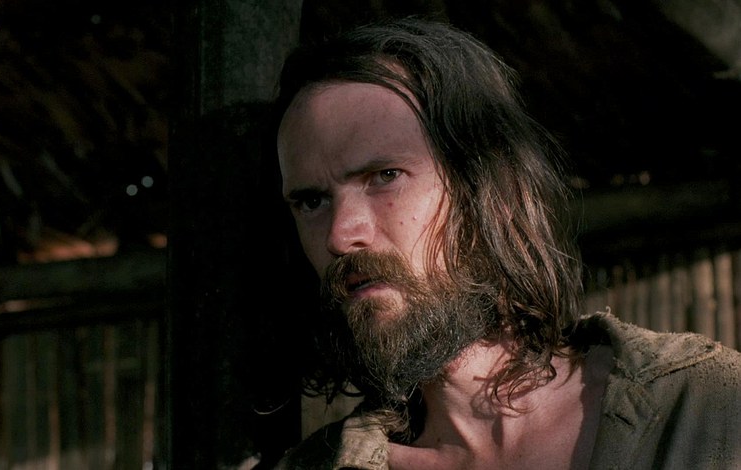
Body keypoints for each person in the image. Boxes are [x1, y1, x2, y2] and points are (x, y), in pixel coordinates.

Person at [270, 17, 741, 469]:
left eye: (385, 176)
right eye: (311, 201)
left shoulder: (707, 409)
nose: (340, 234)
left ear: (491, 188)